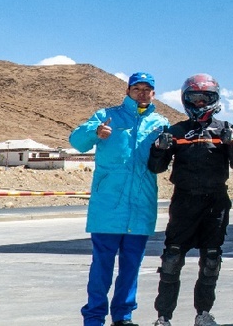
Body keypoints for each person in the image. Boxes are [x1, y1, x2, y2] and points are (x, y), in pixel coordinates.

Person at [70, 72, 170, 326]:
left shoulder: (160, 123)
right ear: (127, 91)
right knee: (101, 265)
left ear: (153, 94)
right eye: (137, 89)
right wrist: (95, 132)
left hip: (141, 206)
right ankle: (94, 317)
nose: (142, 93)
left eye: (147, 89)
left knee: (132, 266)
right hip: (108, 206)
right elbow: (77, 141)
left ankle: (123, 316)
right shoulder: (107, 116)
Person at [149, 74, 233, 326]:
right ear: (186, 100)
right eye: (195, 98)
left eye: (205, 98)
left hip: (215, 203)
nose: (200, 103)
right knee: (171, 259)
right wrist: (158, 149)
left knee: (211, 259)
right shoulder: (176, 131)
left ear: (215, 99)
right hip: (184, 202)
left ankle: (203, 313)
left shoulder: (224, 128)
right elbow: (156, 168)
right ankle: (163, 317)